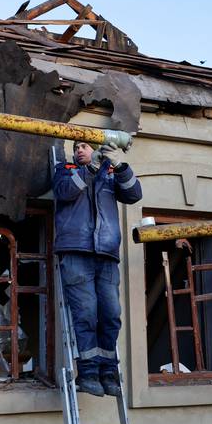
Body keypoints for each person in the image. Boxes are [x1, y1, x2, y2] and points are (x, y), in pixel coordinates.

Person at [52, 140, 142, 396]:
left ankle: (108, 371)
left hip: (106, 253)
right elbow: (65, 192)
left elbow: (134, 194)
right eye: (77, 146)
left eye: (85, 146)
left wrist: (120, 165)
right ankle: (89, 372)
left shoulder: (110, 175)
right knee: (87, 312)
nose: (79, 150)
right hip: (76, 252)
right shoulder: (65, 170)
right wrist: (90, 169)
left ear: (96, 150)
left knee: (111, 314)